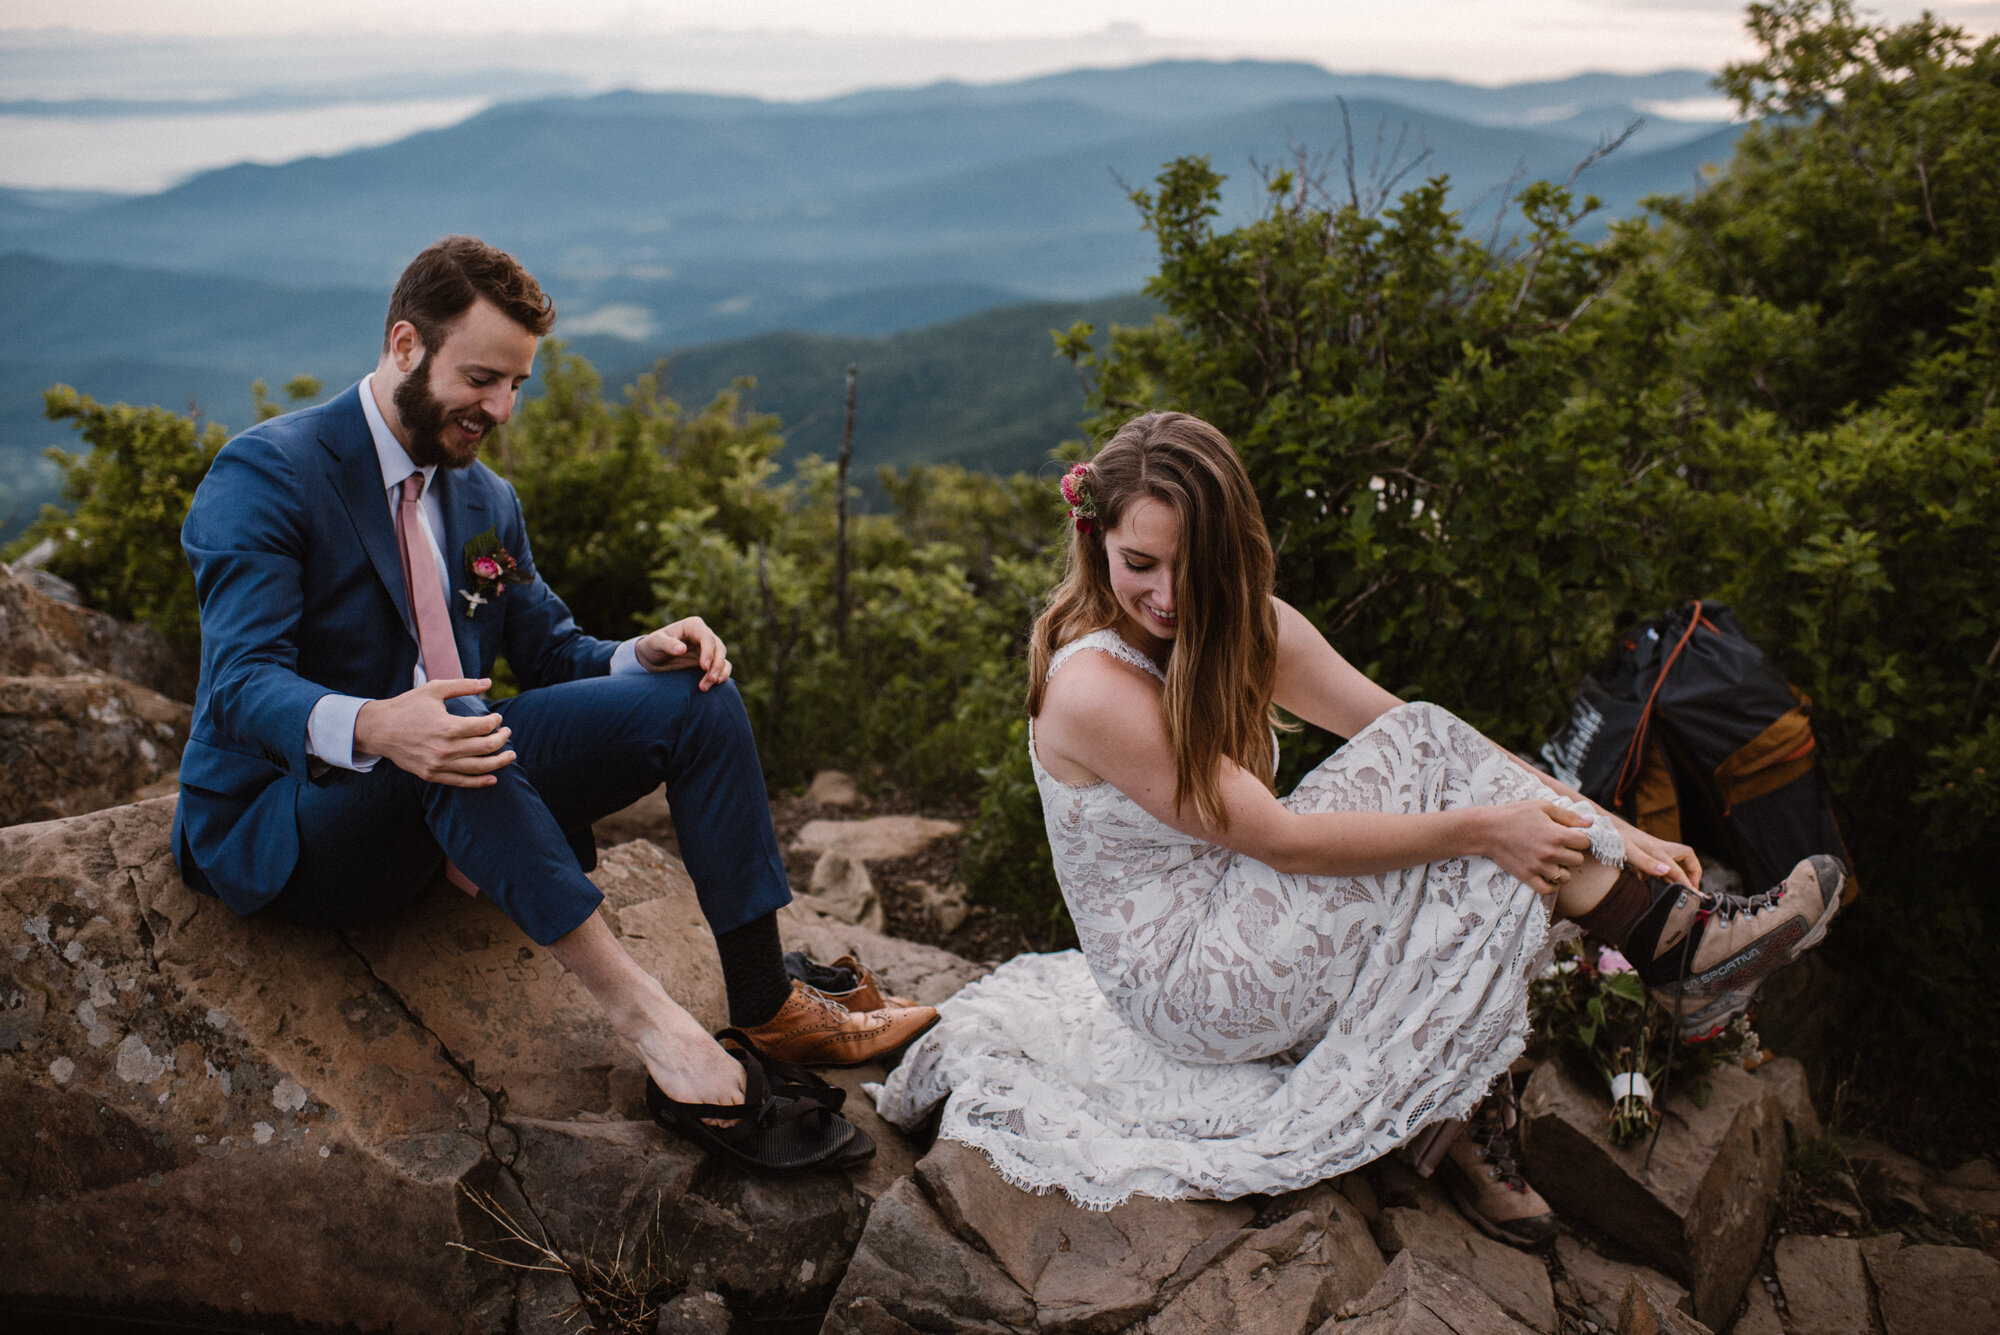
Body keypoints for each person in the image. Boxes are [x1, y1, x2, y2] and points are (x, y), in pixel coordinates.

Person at [877, 411, 1842, 1236]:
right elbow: (1280, 839)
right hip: (1187, 986)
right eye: (1139, 563)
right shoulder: (1092, 686)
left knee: (1435, 761)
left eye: (1192, 566)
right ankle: (1665, 953)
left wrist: (1609, 827)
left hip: (1248, 927)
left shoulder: (1247, 625)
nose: (1166, 595)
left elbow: (1419, 731)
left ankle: (1476, 1093)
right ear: (1095, 542)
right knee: (1464, 822)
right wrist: (1491, 830)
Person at [172, 235, 935, 1173]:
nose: (498, 408)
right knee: (450, 732)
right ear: (406, 346)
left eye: (517, 386)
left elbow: (549, 650)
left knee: (693, 693)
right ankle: (655, 1027)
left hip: (450, 772)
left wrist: (633, 653)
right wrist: (378, 723)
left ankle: (765, 1005)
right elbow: (241, 684)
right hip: (297, 819)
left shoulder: (485, 497)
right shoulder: (269, 471)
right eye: (483, 378)